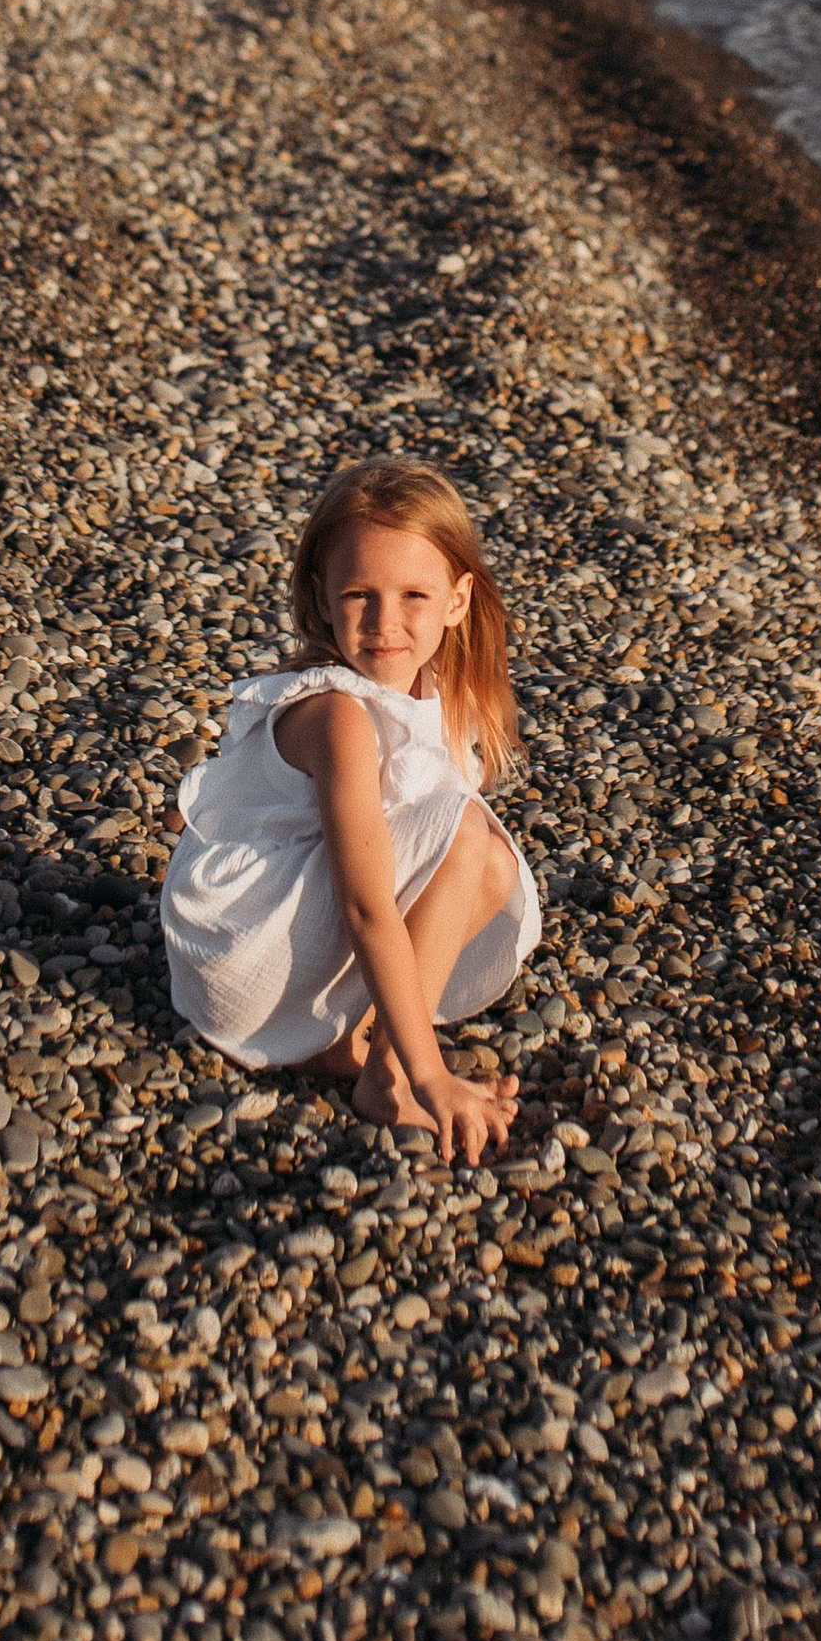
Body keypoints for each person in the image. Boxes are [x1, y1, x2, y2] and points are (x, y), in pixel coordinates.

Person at [161, 456, 541, 1163]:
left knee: (483, 855)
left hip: (271, 937)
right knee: (469, 840)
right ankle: (393, 1079)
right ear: (322, 593)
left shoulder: (430, 692)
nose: (384, 622)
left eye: (414, 596)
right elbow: (367, 904)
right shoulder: (337, 713)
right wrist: (431, 1073)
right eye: (360, 594)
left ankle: (339, 1043)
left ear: (458, 600)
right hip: (239, 951)